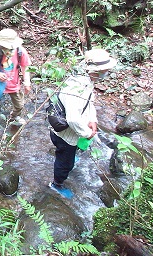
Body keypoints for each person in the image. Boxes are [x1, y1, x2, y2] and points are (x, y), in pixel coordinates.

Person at [49, 48, 117, 199]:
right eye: (105, 70)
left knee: (69, 154)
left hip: (72, 131)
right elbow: (73, 119)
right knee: (65, 163)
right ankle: (56, 184)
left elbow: (89, 103)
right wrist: (88, 133)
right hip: (64, 135)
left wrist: (92, 119)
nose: (106, 72)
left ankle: (70, 158)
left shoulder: (85, 80)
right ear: (95, 70)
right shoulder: (77, 87)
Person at [0, 29, 32, 126]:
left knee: (19, 105)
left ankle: (14, 117)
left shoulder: (20, 51)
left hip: (13, 83)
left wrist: (27, 83)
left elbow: (25, 68)